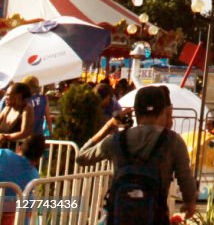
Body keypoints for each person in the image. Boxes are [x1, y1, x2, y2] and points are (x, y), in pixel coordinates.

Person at [76, 83, 197, 223]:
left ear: (136, 112)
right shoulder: (173, 142)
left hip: (120, 217)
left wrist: (109, 126)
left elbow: (81, 157)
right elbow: (186, 179)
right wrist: (190, 203)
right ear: (163, 112)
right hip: (154, 218)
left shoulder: (115, 141)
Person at [0, 134, 46, 225]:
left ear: (19, 148)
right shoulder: (35, 176)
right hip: (11, 215)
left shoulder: (3, 154)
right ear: (38, 158)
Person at [0, 85, 35, 149]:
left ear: (19, 96)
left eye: (8, 95)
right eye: (6, 95)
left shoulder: (27, 109)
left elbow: (25, 133)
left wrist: (5, 136)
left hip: (15, 152)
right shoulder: (7, 108)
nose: (6, 97)